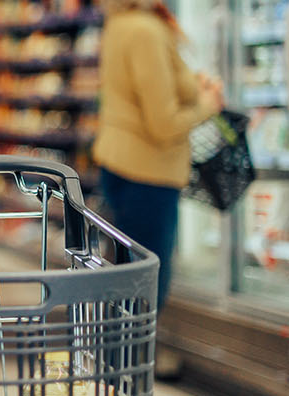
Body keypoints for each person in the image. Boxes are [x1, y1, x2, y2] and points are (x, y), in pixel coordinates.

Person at [93, 0, 223, 310]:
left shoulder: (121, 22)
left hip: (121, 166)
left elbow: (142, 91)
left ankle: (117, 358)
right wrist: (207, 104)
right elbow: (163, 125)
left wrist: (192, 87)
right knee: (144, 294)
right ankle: (131, 358)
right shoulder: (146, 30)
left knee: (123, 286)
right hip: (147, 175)